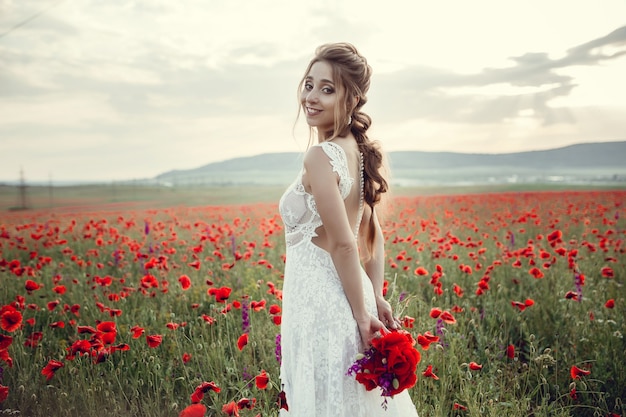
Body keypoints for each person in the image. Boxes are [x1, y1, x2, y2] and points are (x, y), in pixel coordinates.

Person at [278, 43, 419, 416]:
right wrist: (374, 297)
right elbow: (372, 234)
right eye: (309, 84)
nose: (311, 97)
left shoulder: (321, 156)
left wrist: (362, 315)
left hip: (322, 305)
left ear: (351, 98)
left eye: (328, 89)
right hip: (345, 298)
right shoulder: (357, 150)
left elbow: (344, 243)